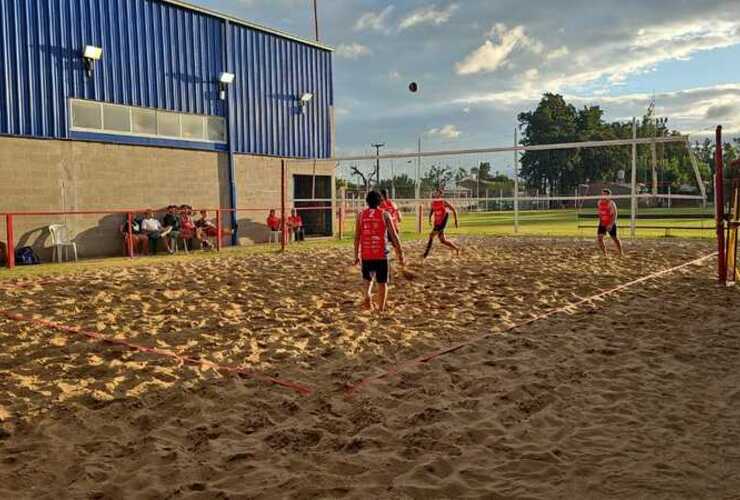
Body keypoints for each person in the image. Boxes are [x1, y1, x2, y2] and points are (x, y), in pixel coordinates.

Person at [354, 190, 405, 312]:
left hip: (366, 253)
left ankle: (367, 295)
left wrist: (356, 255)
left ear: (367, 201)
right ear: (380, 202)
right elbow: (394, 236)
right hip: (381, 254)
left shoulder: (360, 215)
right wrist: (401, 252)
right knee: (382, 283)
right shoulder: (385, 214)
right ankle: (381, 309)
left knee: (367, 278)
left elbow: (357, 237)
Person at [423, 188, 460, 258]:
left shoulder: (443, 202)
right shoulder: (433, 202)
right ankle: (456, 248)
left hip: (442, 222)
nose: (436, 194)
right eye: (435, 192)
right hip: (437, 223)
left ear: (441, 194)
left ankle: (425, 254)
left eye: (438, 193)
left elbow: (453, 209)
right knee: (443, 240)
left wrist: (456, 221)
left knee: (431, 235)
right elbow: (431, 211)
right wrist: (429, 219)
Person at [597, 189, 624, 257]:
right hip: (602, 223)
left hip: (610, 222)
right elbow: (600, 213)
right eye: (602, 194)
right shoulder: (599, 202)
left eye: (604, 194)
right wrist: (601, 222)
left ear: (608, 195)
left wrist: (611, 224)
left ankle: (621, 252)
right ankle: (605, 254)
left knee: (615, 238)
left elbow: (614, 214)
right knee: (600, 238)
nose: (602, 196)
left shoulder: (611, 203)